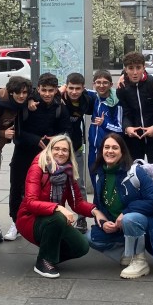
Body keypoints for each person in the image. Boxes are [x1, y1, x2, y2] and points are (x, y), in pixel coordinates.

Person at [16, 134, 96, 278]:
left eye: (65, 150)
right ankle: (43, 262)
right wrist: (58, 207)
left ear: (69, 153)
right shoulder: (38, 167)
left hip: (53, 219)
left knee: (81, 247)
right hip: (30, 219)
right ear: (50, 149)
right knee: (58, 218)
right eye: (56, 149)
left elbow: (77, 203)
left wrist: (95, 211)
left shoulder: (68, 171)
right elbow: (31, 202)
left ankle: (49, 255)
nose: (60, 153)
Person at [90, 132, 153, 279]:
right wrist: (103, 223)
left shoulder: (135, 171)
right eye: (106, 147)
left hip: (146, 222)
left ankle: (140, 261)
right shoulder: (99, 174)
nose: (110, 151)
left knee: (129, 218)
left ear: (122, 152)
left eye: (115, 148)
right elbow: (99, 205)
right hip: (118, 226)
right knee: (90, 238)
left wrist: (126, 212)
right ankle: (128, 253)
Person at [8, 72, 71, 233]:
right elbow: (18, 132)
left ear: (56, 90)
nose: (47, 94)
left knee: (47, 188)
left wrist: (56, 138)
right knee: (17, 186)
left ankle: (45, 219)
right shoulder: (27, 102)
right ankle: (16, 221)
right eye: (44, 90)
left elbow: (66, 130)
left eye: (51, 90)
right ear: (38, 89)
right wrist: (35, 139)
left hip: (48, 154)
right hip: (23, 151)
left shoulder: (60, 107)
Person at [0, 75, 33, 241]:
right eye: (18, 93)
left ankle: (26, 221)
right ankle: (15, 221)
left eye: (25, 93)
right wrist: (2, 133)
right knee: (13, 186)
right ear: (11, 92)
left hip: (27, 146)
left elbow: (49, 92)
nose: (21, 96)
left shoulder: (30, 100)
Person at [117, 51, 153, 168]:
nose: (135, 72)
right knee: (134, 172)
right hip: (134, 139)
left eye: (138, 67)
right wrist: (127, 127)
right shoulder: (122, 88)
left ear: (144, 67)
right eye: (131, 68)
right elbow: (125, 113)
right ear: (125, 69)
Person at [60, 72, 96, 232]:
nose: (74, 92)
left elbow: (107, 93)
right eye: (71, 88)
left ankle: (82, 219)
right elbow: (36, 94)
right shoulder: (58, 97)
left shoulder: (87, 99)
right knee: (56, 184)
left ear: (83, 89)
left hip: (75, 147)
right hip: (57, 149)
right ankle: (58, 217)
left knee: (79, 184)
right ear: (66, 86)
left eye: (77, 88)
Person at [87, 69, 123, 185]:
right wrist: (63, 88)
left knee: (108, 184)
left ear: (111, 84)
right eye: (98, 82)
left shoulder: (116, 103)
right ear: (94, 84)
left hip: (108, 151)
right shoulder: (94, 97)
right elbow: (79, 89)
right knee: (95, 181)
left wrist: (104, 124)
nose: (101, 86)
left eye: (105, 83)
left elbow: (120, 128)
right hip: (93, 150)